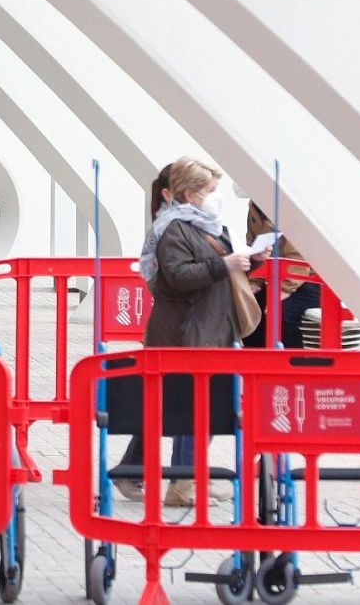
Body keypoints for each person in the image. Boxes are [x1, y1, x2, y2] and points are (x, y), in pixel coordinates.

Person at [135, 156, 248, 507]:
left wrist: (248, 262)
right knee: (190, 409)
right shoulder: (173, 228)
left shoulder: (205, 225)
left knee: (191, 407)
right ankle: (182, 484)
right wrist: (223, 265)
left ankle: (173, 473)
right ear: (190, 194)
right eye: (210, 190)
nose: (217, 197)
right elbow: (179, 277)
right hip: (187, 332)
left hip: (211, 327)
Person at [242, 202, 316, 350]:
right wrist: (254, 281)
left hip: (306, 278)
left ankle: (295, 364)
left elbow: (298, 257)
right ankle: (257, 362)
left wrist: (283, 290)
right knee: (248, 309)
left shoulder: (290, 207)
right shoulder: (255, 208)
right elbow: (253, 245)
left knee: (281, 314)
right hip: (273, 276)